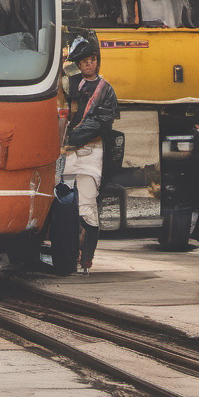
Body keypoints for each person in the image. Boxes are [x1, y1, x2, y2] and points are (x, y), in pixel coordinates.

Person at [61, 35, 119, 274]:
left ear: (98, 61)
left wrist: (69, 140)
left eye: (92, 59)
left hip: (89, 152)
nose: (88, 64)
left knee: (87, 206)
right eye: (83, 60)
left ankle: (87, 259)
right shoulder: (69, 85)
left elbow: (102, 123)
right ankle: (69, 254)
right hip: (65, 153)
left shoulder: (106, 90)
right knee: (64, 206)